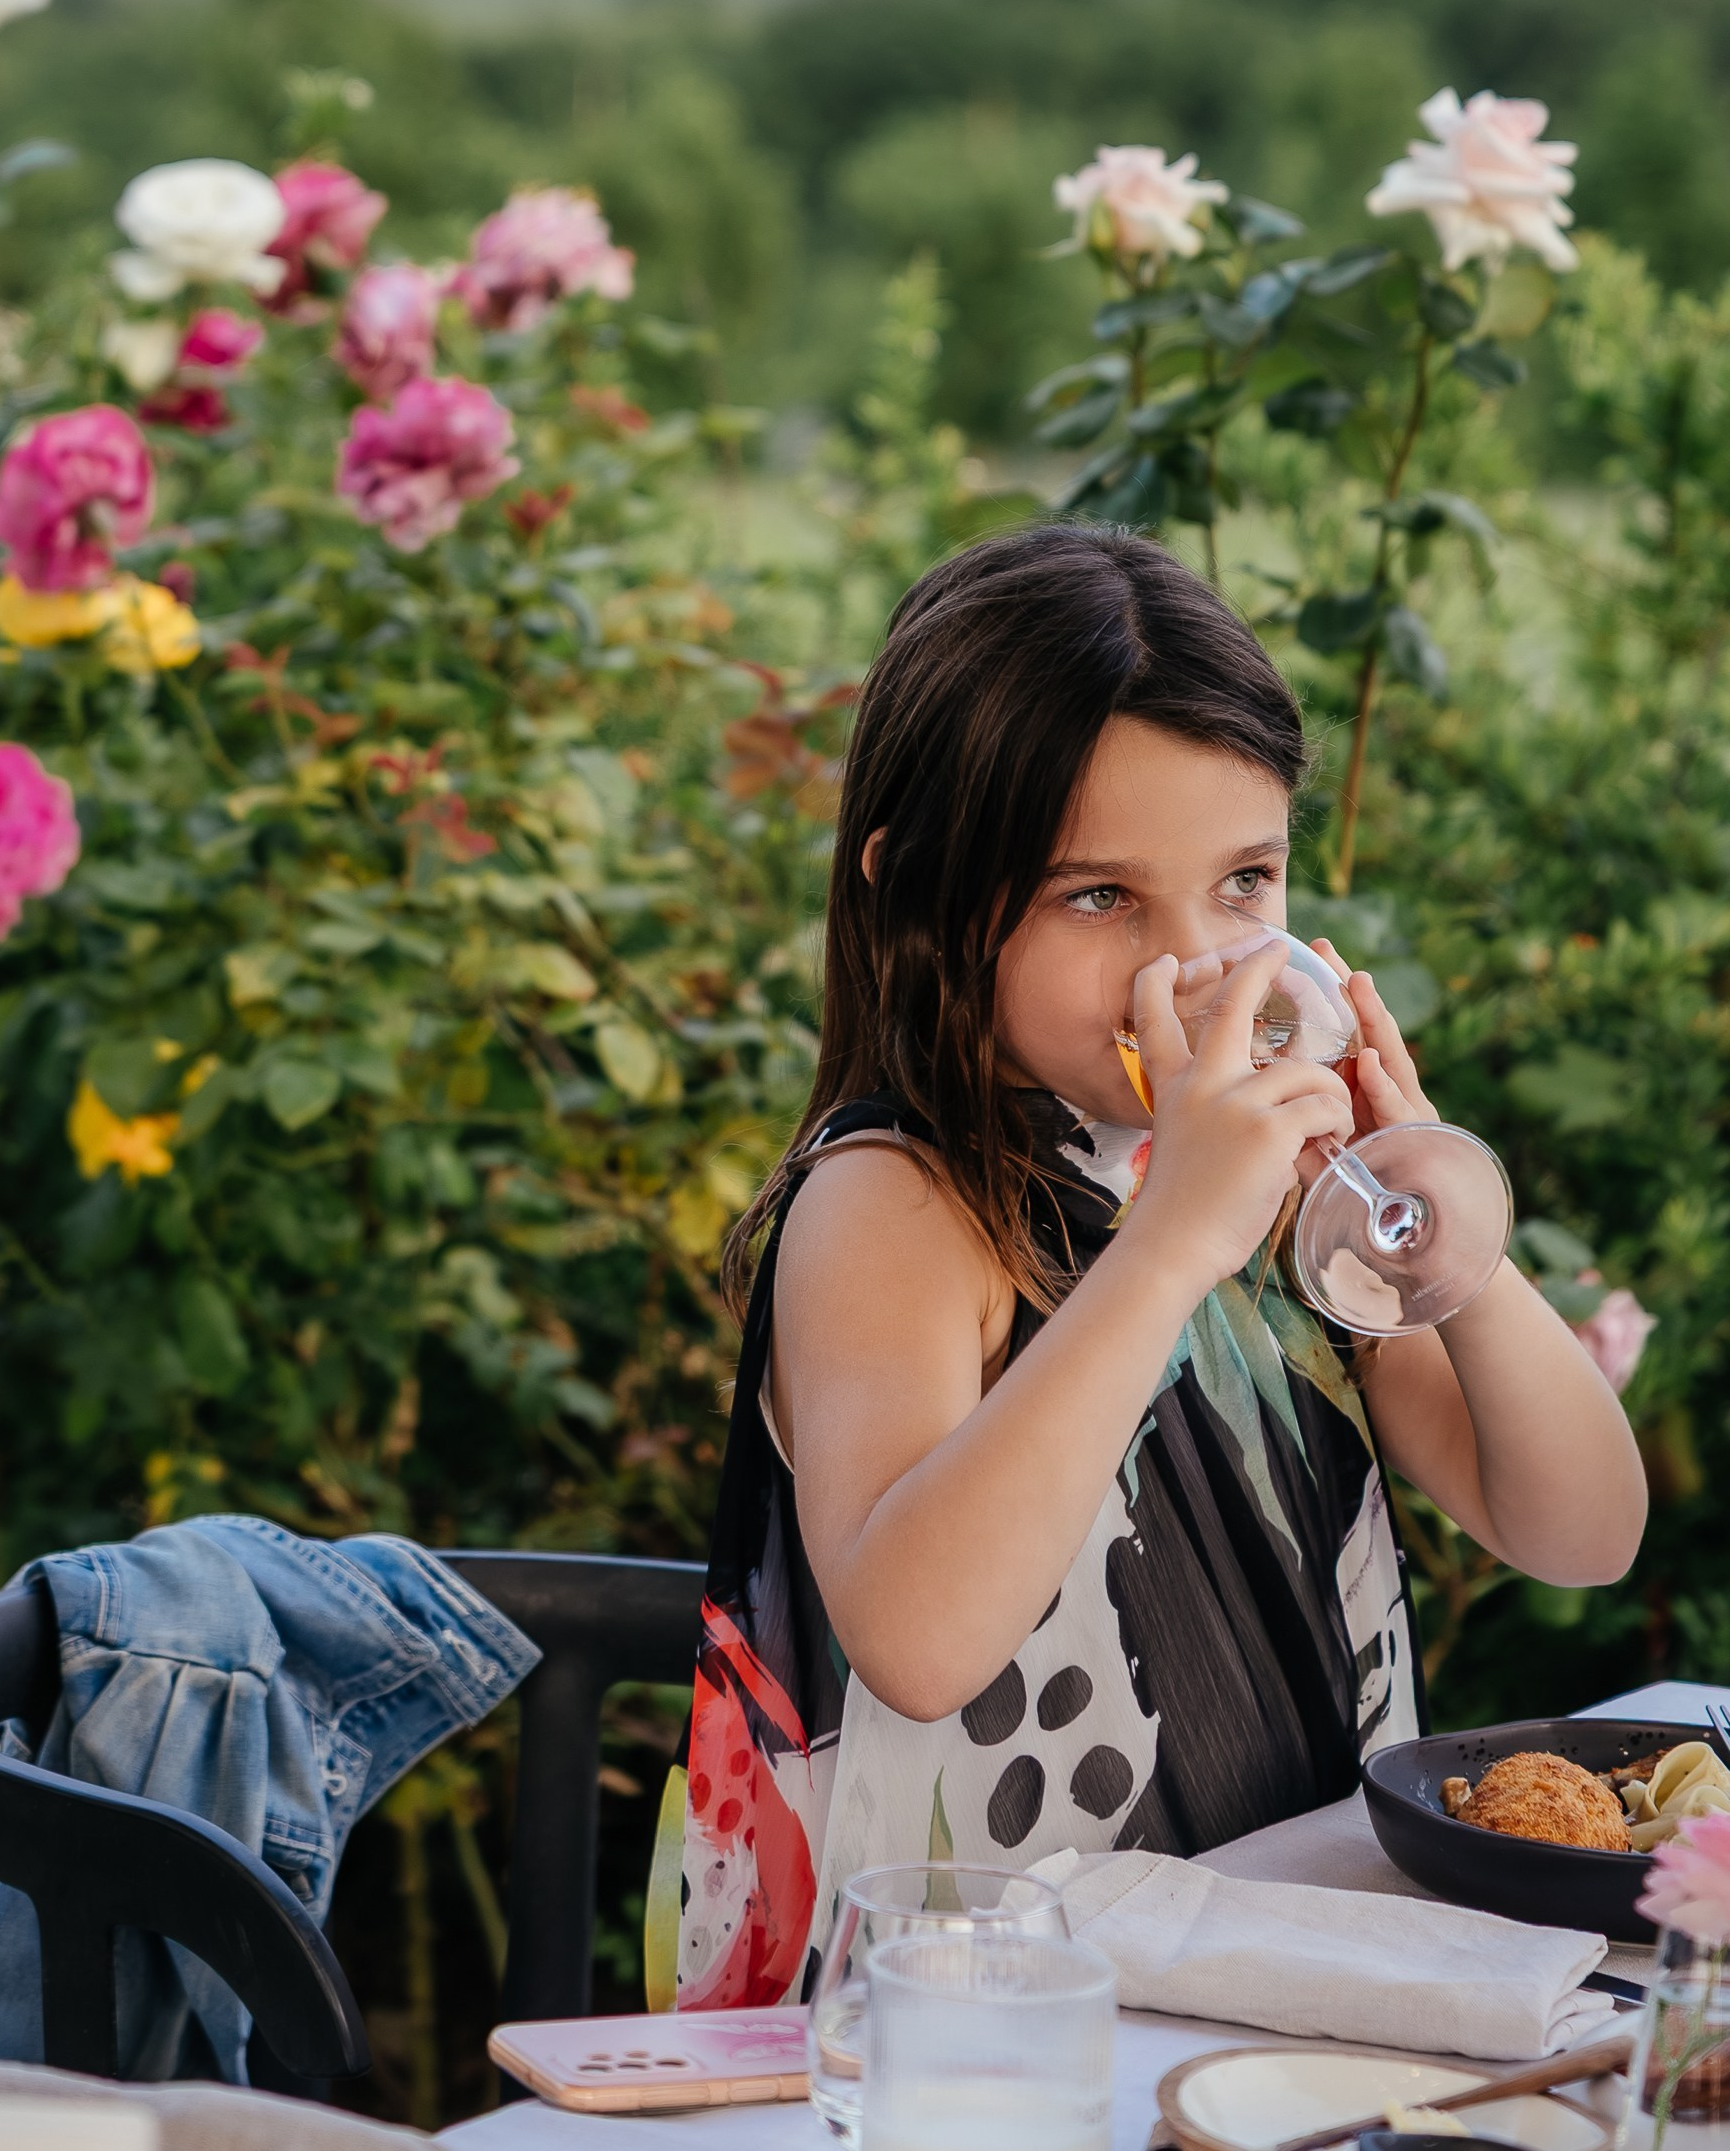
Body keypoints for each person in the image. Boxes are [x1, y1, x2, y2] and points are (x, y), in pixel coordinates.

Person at [675, 523, 1646, 2010]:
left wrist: (1430, 1218)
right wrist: (1171, 1242)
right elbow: (918, 1643)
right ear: (916, 891)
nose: (1192, 967)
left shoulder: (1270, 1196)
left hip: (1275, 1978)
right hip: (972, 2024)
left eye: (1245, 882)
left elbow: (1581, 1529)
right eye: (1099, 898)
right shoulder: (898, 1203)